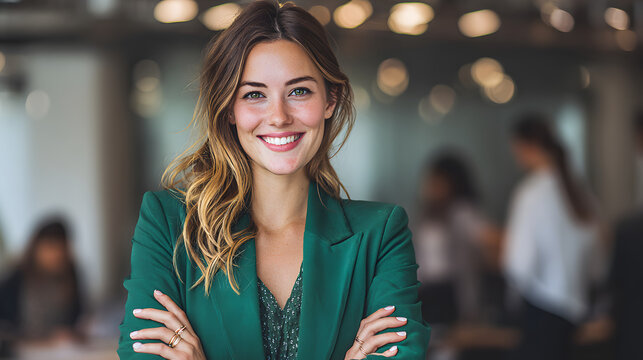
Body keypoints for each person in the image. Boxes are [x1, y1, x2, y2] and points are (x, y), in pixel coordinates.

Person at [116, 1, 431, 359]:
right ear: (229, 109)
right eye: (254, 94)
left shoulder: (381, 234)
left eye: (299, 91)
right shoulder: (169, 225)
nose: (278, 116)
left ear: (331, 99)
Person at [501, 114, 605, 360]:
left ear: (525, 146)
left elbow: (517, 264)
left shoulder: (530, 192)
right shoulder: (579, 190)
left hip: (542, 312)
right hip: (576, 313)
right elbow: (598, 261)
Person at [0, 217, 84, 357]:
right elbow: (7, 327)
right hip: (23, 349)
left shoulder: (71, 275)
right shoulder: (15, 279)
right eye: (50, 248)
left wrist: (71, 332)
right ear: (36, 248)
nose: (55, 255)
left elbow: (78, 316)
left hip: (60, 350)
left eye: (60, 249)